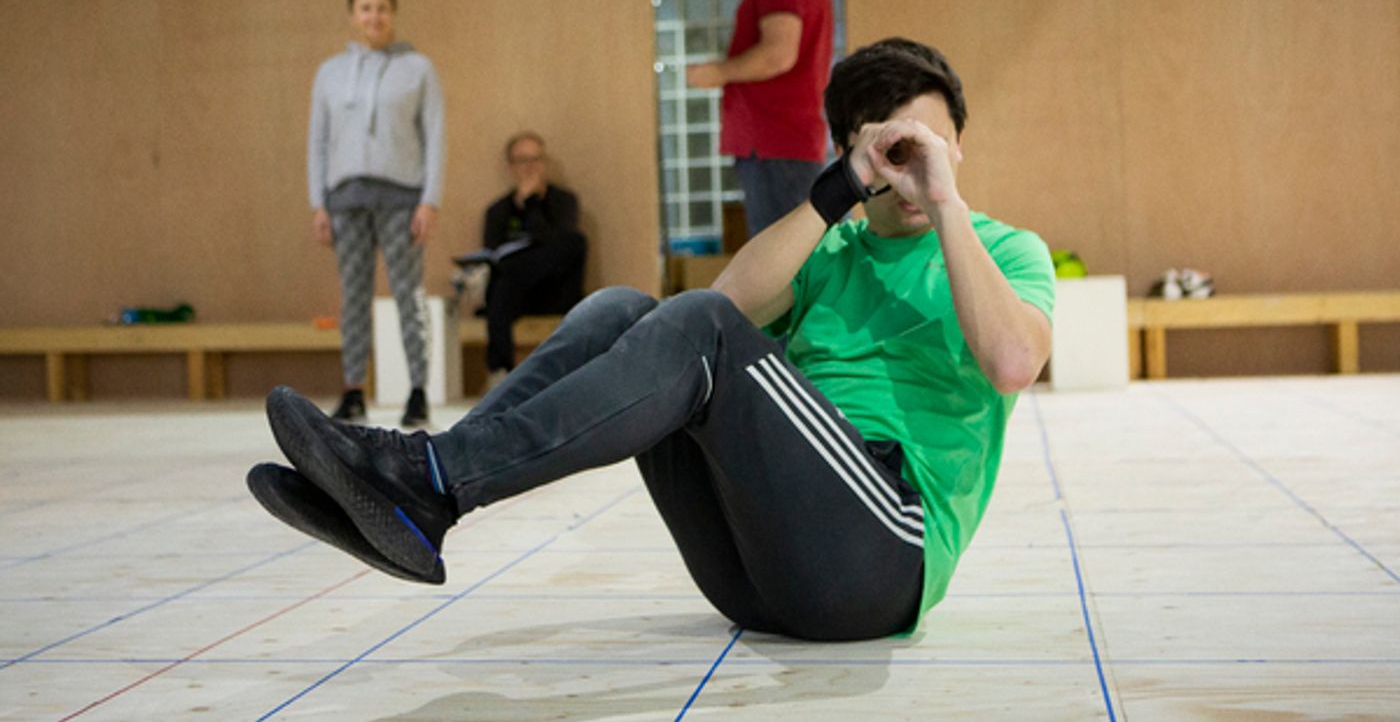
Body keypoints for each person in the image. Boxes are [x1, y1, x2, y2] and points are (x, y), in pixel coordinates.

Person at [252, 38, 1054, 641]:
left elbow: (1014, 362)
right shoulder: (827, 249)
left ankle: (430, 480)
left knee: (694, 326)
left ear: (962, 145)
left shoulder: (1006, 251)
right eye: (897, 152)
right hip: (749, 575)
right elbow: (720, 303)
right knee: (622, 310)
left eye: (935, 144)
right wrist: (838, 190)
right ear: (857, 155)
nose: (916, 168)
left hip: (878, 557)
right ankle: (427, 492)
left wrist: (946, 203)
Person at [306, 0, 445, 429]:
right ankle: (352, 391)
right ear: (352, 14)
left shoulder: (418, 68)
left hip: (402, 197)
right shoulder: (329, 73)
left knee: (407, 293)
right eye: (365, 7)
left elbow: (435, 136)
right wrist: (318, 202)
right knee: (353, 295)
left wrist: (430, 200)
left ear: (393, 12)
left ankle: (419, 390)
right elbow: (319, 142)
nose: (374, 16)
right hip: (345, 200)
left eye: (382, 7)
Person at [686, 0, 834, 238]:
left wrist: (718, 73)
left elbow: (778, 53)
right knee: (796, 254)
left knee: (782, 265)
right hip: (784, 141)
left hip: (775, 140)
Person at [478, 132, 587, 390]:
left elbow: (557, 246)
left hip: (556, 290)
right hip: (516, 295)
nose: (531, 167)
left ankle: (501, 370)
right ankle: (500, 372)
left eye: (536, 159)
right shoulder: (498, 211)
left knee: (575, 243)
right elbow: (492, 254)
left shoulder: (563, 202)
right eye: (523, 160)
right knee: (503, 284)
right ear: (510, 167)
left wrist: (530, 204)